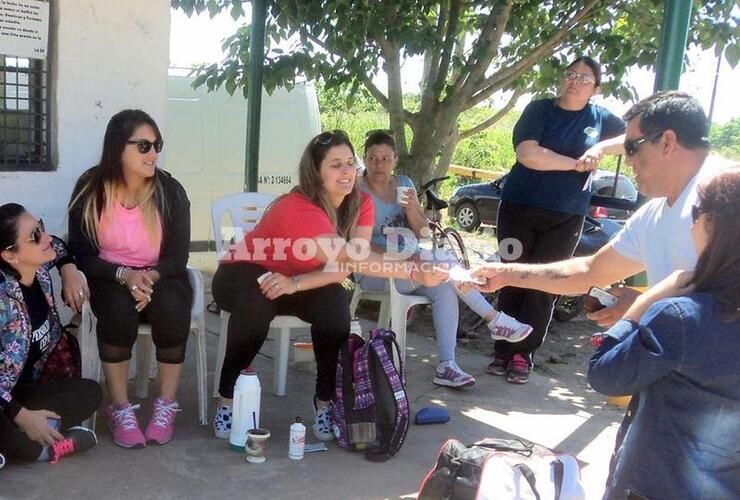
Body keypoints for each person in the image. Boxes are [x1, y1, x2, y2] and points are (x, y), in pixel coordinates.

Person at [211, 130, 447, 441]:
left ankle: (326, 403)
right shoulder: (297, 206)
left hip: (300, 276)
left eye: (350, 163)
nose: (347, 171)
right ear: (316, 171)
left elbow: (345, 266)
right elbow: (348, 258)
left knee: (336, 309)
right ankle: (228, 398)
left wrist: (294, 283)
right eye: (336, 165)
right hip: (245, 269)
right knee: (257, 304)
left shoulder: (361, 203)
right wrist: (414, 272)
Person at [474, 90, 713, 364]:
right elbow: (590, 271)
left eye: (632, 147)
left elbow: (726, 301)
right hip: (678, 378)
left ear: (668, 143)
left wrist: (645, 304)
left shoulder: (723, 195)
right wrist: (505, 274)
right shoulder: (655, 213)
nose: (628, 159)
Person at [588, 167, 740, 499]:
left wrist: (644, 301)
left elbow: (605, 375)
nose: (691, 223)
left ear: (714, 225)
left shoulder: (682, 318)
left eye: (697, 213)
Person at [356, 130, 532, 388]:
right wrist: (406, 257)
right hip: (375, 269)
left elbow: (423, 231)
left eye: (385, 158)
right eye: (372, 158)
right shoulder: (357, 192)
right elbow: (360, 244)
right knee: (443, 262)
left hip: (414, 264)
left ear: (394, 160)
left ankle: (447, 365)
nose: (378, 165)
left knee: (444, 287)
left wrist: (412, 208)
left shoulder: (404, 183)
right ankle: (494, 318)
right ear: (365, 158)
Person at [490, 56, 626, 384]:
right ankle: (502, 348)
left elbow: (633, 137)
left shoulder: (601, 118)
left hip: (566, 215)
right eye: (571, 74)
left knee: (545, 283)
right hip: (519, 206)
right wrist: (576, 164)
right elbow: (529, 155)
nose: (575, 81)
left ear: (595, 87)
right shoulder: (539, 110)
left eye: (584, 77)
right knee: (509, 277)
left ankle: (524, 354)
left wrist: (602, 149)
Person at [68, 110, 192, 449]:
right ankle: (119, 407)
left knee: (171, 305)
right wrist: (124, 275)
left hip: (159, 275)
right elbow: (82, 253)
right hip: (108, 275)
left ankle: (165, 404)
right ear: (117, 148)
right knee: (118, 311)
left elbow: (178, 257)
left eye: (157, 145)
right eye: (143, 146)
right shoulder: (91, 188)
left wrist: (146, 278)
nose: (153, 153)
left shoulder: (170, 191)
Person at [1, 203, 101, 465]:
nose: (45, 238)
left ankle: (18, 444)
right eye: (35, 236)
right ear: (10, 255)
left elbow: (57, 245)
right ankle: (41, 448)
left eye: (41, 227)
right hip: (5, 402)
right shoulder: (3, 301)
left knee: (90, 392)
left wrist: (68, 269)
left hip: (24, 393)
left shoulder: (39, 274)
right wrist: (21, 415)